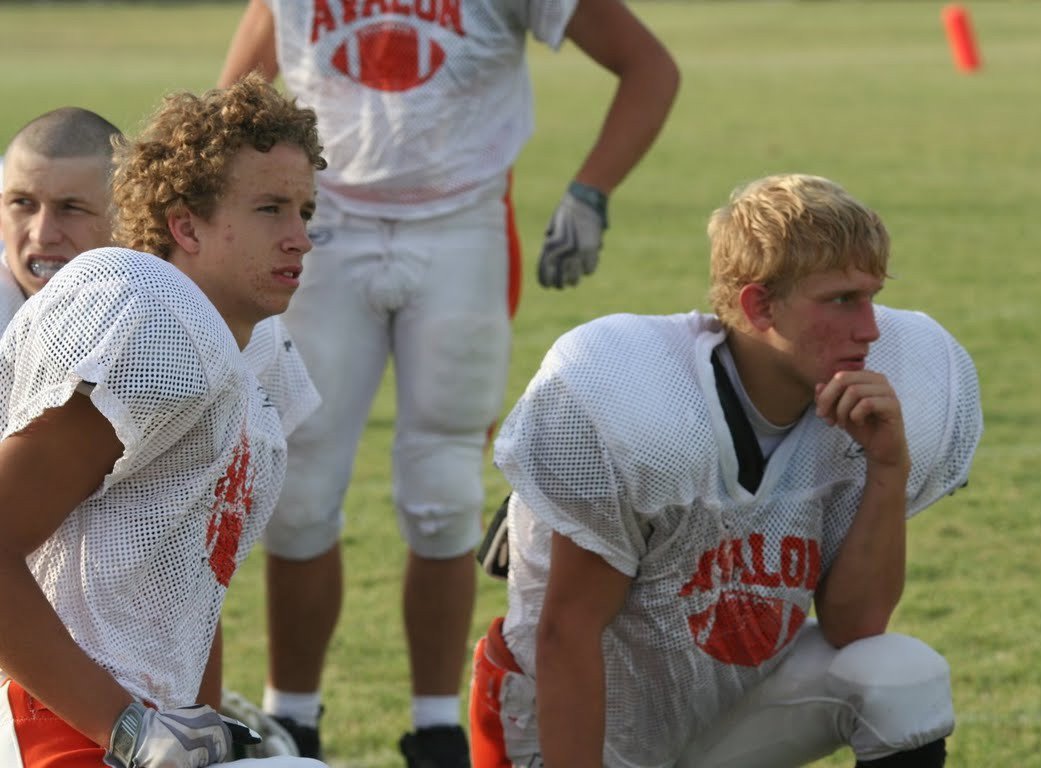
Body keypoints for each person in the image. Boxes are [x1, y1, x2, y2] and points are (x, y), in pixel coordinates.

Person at [216, 1, 680, 763]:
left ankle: (435, 725)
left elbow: (650, 66)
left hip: (459, 223)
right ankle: (292, 717)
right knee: (295, 493)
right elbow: (230, 104)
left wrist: (592, 189)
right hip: (324, 226)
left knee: (444, 493)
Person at [469, 173, 984, 768]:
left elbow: (855, 626)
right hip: (567, 729)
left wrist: (887, 468)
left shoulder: (857, 407)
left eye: (871, 295)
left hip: (718, 713)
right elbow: (567, 634)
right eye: (842, 299)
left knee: (902, 677)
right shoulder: (643, 405)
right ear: (758, 304)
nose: (870, 328)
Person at [0, 74, 331, 768]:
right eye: (271, 209)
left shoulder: (255, 350)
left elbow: (192, 579)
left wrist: (195, 725)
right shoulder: (154, 322)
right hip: (55, 717)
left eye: (305, 210)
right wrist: (124, 726)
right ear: (186, 224)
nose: (299, 237)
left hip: (137, 714)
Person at [1, 107, 121, 328]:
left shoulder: (160, 316)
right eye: (23, 203)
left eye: (71, 208)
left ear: (125, 218)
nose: (42, 235)